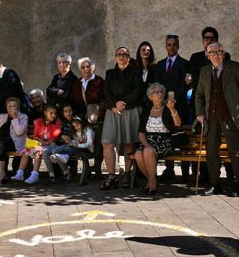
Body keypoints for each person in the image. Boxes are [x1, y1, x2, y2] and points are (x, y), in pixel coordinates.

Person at [195, 41, 239, 197]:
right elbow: (199, 95)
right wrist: (200, 113)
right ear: (207, 55)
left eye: (219, 52)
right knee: (211, 153)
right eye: (213, 53)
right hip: (211, 118)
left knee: (235, 152)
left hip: (230, 118)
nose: (216, 55)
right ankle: (215, 184)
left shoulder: (234, 67)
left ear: (223, 53)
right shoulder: (204, 71)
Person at [100, 47, 144, 190]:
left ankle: (126, 174)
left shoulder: (136, 72)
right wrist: (114, 104)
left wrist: (123, 102)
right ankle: (112, 176)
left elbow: (137, 91)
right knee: (108, 143)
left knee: (128, 143)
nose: (122, 57)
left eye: (125, 54)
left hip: (130, 110)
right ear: (115, 57)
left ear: (129, 58)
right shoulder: (110, 73)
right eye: (119, 54)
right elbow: (106, 92)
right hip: (112, 111)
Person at [153, 35, 191, 183]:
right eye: (169, 44)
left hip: (179, 106)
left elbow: (185, 85)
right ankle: (169, 170)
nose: (172, 47)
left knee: (181, 137)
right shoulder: (160, 65)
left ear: (178, 46)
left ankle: (185, 172)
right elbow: (157, 84)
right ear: (165, 46)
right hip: (163, 107)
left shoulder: (184, 63)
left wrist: (173, 100)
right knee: (167, 136)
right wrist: (163, 100)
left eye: (174, 44)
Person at [133, 83, 182, 196]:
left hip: (164, 140)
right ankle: (151, 179)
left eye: (161, 92)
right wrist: (146, 144)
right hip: (148, 140)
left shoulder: (167, 109)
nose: (159, 94)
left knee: (147, 151)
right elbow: (141, 132)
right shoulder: (146, 111)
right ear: (150, 96)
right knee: (138, 154)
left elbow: (178, 124)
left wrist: (172, 108)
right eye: (156, 92)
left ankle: (152, 183)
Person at [71, 57, 106, 177]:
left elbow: (104, 99)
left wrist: (98, 113)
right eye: (83, 67)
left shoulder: (99, 81)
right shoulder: (77, 83)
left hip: (97, 118)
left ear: (93, 67)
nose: (86, 69)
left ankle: (97, 168)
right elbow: (74, 101)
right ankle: (87, 167)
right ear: (80, 69)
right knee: (85, 140)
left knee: (98, 143)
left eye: (88, 66)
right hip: (82, 119)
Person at [0, 97, 28, 185]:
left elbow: (19, 132)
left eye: (13, 106)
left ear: (18, 108)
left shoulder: (23, 117)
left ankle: (2, 173)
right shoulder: (2, 116)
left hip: (13, 142)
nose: (11, 108)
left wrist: (15, 118)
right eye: (9, 106)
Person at [15, 104, 61, 184]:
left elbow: (57, 134)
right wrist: (41, 141)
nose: (54, 115)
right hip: (40, 143)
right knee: (26, 151)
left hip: (51, 145)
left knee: (38, 151)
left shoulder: (57, 121)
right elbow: (36, 135)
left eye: (55, 113)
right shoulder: (39, 121)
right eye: (51, 113)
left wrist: (48, 142)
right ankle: (20, 173)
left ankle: (35, 174)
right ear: (45, 113)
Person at [48, 116, 94, 185]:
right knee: (54, 151)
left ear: (82, 123)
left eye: (77, 123)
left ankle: (65, 157)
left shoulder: (88, 131)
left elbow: (89, 144)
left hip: (86, 149)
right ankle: (63, 156)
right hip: (76, 147)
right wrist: (70, 141)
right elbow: (77, 141)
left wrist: (78, 145)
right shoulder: (76, 131)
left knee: (72, 148)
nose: (75, 125)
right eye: (74, 123)